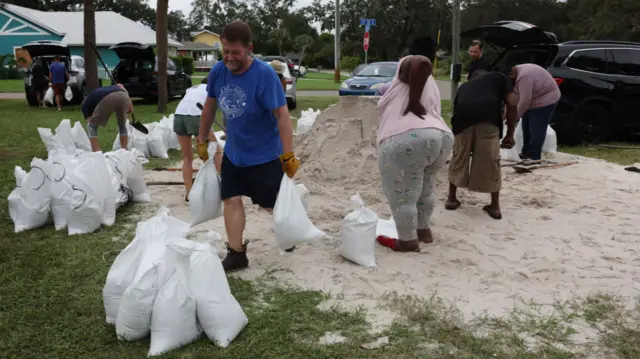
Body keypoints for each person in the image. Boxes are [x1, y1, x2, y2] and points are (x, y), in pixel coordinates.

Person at [196, 20, 299, 271]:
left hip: (265, 154)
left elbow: (283, 116)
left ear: (249, 48)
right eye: (226, 51)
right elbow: (209, 108)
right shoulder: (219, 71)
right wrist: (201, 139)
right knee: (231, 199)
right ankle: (236, 253)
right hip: (235, 152)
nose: (230, 58)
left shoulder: (264, 75)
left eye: (236, 53)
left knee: (270, 205)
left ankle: (290, 230)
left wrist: (287, 154)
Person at [375, 55, 453, 252]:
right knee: (426, 188)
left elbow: (420, 63)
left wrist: (413, 101)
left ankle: (407, 241)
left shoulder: (411, 72)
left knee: (403, 194)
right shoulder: (430, 87)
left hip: (407, 137)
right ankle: (423, 231)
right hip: (441, 136)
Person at [445, 70, 518, 220]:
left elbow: (456, 110)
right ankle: (494, 206)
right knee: (491, 161)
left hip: (462, 121)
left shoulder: (464, 86)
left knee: (459, 157)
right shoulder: (501, 76)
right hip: (488, 120)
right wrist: (510, 134)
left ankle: (452, 198)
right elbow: (512, 103)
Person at [173, 77, 216, 203]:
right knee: (215, 149)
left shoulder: (191, 89)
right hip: (196, 116)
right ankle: (223, 188)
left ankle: (189, 194)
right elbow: (210, 112)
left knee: (187, 157)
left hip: (179, 116)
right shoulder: (211, 89)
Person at [509, 63, 561, 161]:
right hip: (534, 98)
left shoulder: (523, 77)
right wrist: (505, 116)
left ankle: (534, 155)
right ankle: (526, 153)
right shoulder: (515, 75)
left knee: (536, 128)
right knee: (526, 126)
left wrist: (514, 118)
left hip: (546, 98)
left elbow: (525, 100)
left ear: (511, 74)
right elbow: (512, 99)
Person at [81, 84, 133, 152]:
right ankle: (124, 150)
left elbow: (89, 121)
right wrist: (130, 105)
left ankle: (96, 152)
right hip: (123, 95)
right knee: (122, 125)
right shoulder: (107, 89)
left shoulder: (85, 107)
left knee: (92, 126)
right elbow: (120, 86)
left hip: (108, 97)